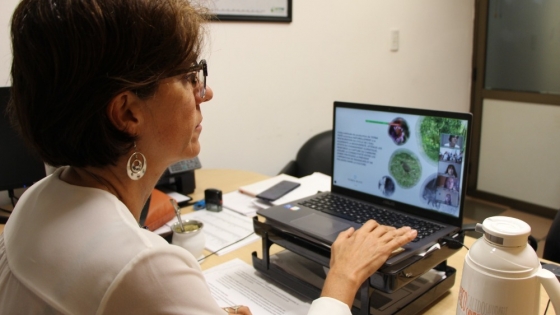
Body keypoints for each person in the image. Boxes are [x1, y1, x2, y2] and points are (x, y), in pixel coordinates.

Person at [0, 0, 417, 314]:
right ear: (128, 113)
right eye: (187, 76)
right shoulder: (144, 267)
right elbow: (132, 286)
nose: (205, 92)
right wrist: (341, 280)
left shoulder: (35, 201)